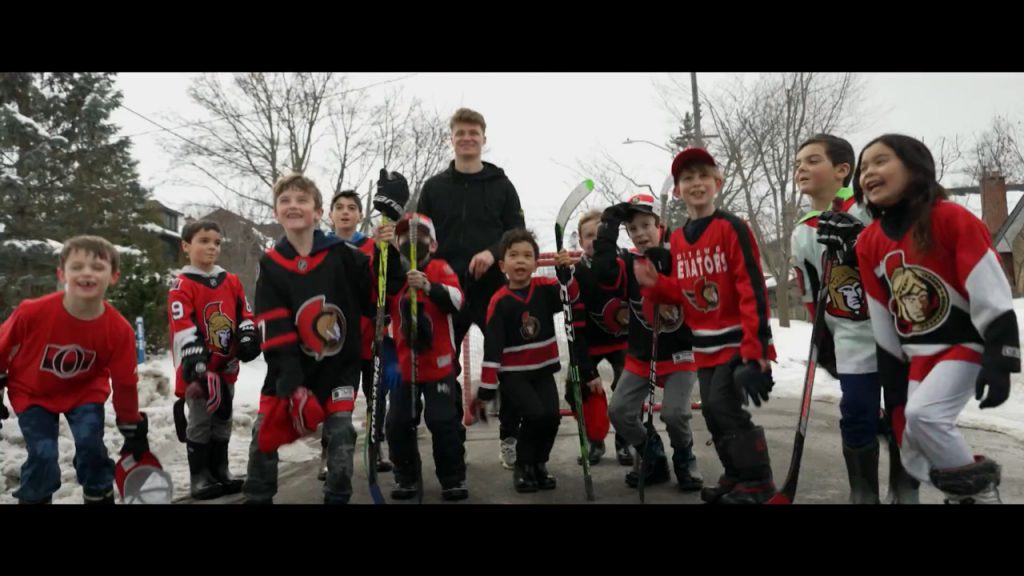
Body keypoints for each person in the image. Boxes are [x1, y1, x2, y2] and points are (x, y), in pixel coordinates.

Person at [854, 134, 1017, 504]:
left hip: (964, 343)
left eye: (880, 161)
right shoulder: (868, 242)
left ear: (915, 167)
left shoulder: (950, 218)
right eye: (864, 168)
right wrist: (891, 388)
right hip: (918, 355)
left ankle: (980, 496)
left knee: (925, 416)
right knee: (912, 435)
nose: (869, 172)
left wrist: (1002, 356)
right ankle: (966, 495)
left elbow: (990, 287)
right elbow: (882, 316)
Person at [636, 148, 777, 504]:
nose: (695, 183)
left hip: (737, 341)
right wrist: (656, 284)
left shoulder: (732, 227)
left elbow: (752, 286)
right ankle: (736, 475)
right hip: (705, 346)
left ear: (717, 183)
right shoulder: (681, 239)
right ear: (679, 190)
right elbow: (686, 294)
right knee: (713, 412)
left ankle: (758, 481)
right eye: (687, 178)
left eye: (702, 176)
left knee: (724, 406)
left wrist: (756, 350)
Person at [0, 235, 150, 504]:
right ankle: (35, 496)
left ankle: (98, 493)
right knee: (43, 454)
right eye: (77, 266)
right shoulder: (32, 312)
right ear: (62, 273)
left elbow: (125, 382)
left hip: (84, 392)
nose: (87, 273)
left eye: (97, 267)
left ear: (114, 276)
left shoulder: (118, 330)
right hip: (33, 392)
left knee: (91, 446)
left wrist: (132, 427)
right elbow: (1, 347)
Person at [417, 107, 526, 470]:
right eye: (460, 132)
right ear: (452, 138)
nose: (467, 138)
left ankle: (510, 438)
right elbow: (420, 237)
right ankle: (453, 445)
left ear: (483, 138)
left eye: (473, 133)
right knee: (443, 370)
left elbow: (517, 235)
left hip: (493, 288)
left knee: (508, 364)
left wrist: (492, 252)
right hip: (447, 291)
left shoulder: (502, 185)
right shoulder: (433, 187)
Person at [169, 220, 260, 499]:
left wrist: (247, 336)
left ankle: (221, 470)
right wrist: (194, 354)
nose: (211, 247)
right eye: (204, 241)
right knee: (200, 420)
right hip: (198, 371)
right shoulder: (181, 284)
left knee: (223, 417)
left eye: (217, 242)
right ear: (186, 246)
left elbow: (245, 312)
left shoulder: (230, 280)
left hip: (226, 366)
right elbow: (180, 322)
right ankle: (200, 476)